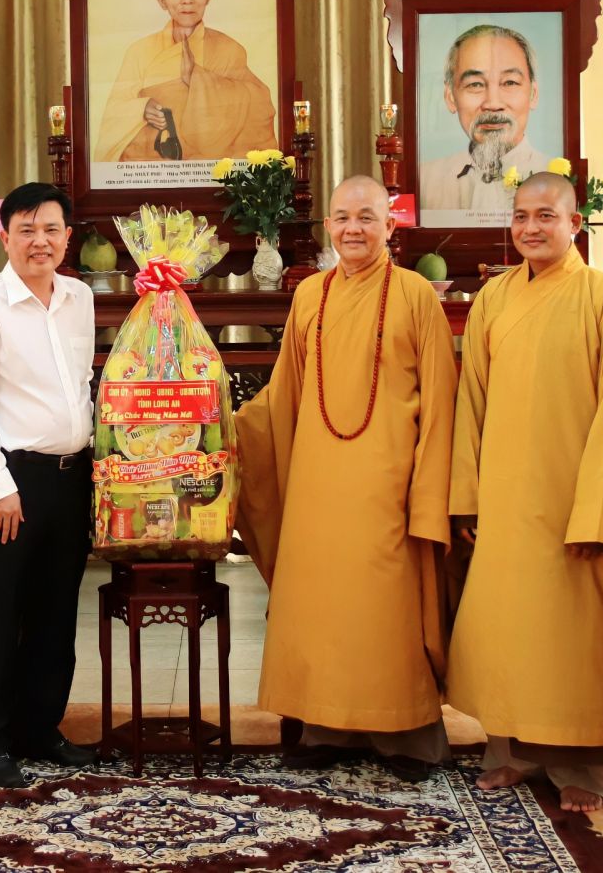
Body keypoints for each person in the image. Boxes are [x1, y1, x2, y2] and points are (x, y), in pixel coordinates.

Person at [236, 175, 457, 779]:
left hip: (389, 484)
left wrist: (430, 493)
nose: (352, 229)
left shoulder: (415, 295)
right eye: (341, 218)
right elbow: (284, 392)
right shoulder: (310, 294)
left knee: (385, 615)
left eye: (366, 217)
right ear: (328, 226)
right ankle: (324, 726)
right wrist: (225, 427)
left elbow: (441, 403)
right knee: (321, 608)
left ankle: (405, 736)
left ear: (391, 225)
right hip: (316, 481)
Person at [444, 173, 603, 812]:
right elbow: (470, 399)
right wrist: (467, 494)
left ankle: (595, 767)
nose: (532, 228)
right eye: (522, 216)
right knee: (511, 628)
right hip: (506, 494)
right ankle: (514, 751)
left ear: (574, 224)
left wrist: (602, 506)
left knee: (579, 637)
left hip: (577, 498)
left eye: (547, 216)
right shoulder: (494, 300)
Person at [0, 182, 97, 788]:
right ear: (4, 237)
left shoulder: (80, 297)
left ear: (68, 236)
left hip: (72, 477)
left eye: (52, 229)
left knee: (57, 613)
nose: (41, 241)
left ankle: (40, 728)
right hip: (10, 482)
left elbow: (83, 385)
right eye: (28, 230)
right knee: (0, 613)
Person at [92, 0, 277, 163]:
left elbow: (259, 107)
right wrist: (141, 108)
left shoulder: (229, 50)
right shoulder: (139, 52)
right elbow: (111, 119)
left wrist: (200, 79)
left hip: (208, 177)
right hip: (152, 176)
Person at [418, 25, 552, 217]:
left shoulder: (559, 179)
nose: (493, 103)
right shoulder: (424, 181)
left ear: (533, 94)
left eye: (510, 82)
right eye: (475, 84)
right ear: (450, 97)